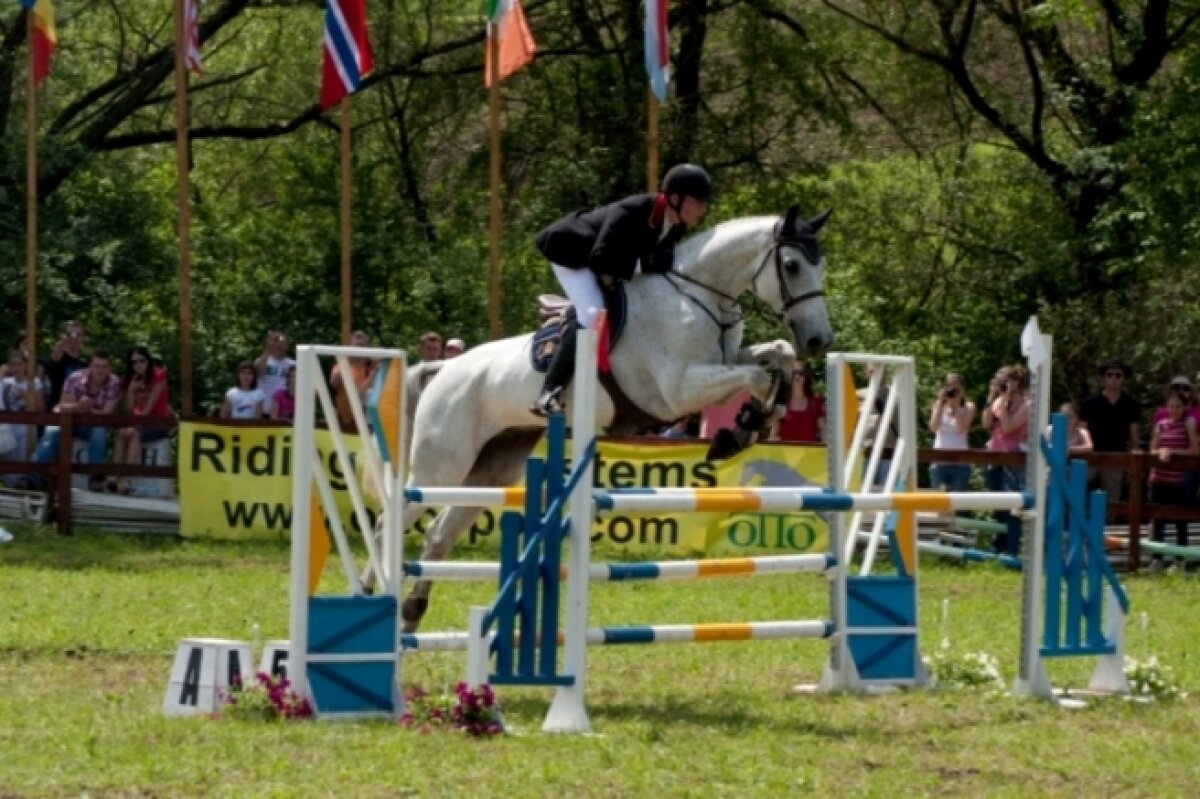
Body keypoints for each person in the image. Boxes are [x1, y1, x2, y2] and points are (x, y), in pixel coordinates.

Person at [530, 163, 714, 416]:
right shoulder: (634, 210)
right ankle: (549, 391)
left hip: (604, 261)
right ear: (675, 198)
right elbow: (600, 258)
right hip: (571, 252)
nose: (704, 209)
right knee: (593, 313)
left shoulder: (676, 225)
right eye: (699, 202)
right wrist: (644, 264)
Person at [31, 350, 123, 491]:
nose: (100, 370)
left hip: (90, 425)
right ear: (90, 367)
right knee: (51, 434)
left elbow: (106, 413)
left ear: (109, 369)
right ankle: (31, 478)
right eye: (97, 366)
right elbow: (64, 406)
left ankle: (95, 478)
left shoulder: (114, 382)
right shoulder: (75, 378)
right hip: (66, 420)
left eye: (104, 367)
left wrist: (88, 409)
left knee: (99, 429)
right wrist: (79, 407)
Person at [1146, 387, 1199, 572]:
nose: (1174, 410)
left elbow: (1195, 450)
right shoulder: (1161, 425)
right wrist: (1160, 451)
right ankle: (1156, 559)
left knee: (1180, 520)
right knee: (1158, 519)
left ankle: (1180, 559)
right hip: (1158, 478)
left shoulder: (1188, 423)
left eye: (1177, 406)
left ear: (1185, 407)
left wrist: (1174, 452)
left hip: (1178, 480)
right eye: (1171, 406)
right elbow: (1152, 449)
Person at [982, 364, 1030, 556]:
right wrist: (991, 398)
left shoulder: (1026, 405)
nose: (1003, 384)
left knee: (1012, 506)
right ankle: (998, 547)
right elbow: (986, 424)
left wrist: (1002, 405)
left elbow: (1009, 427)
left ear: (1017, 383)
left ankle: (1011, 549)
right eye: (1000, 380)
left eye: (1007, 381)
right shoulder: (998, 400)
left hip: (1013, 458)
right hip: (994, 455)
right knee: (997, 505)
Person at [111, 347, 172, 495]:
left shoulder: (159, 375)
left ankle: (127, 480)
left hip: (158, 422)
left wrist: (135, 424)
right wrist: (131, 390)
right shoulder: (130, 380)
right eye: (134, 362)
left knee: (134, 433)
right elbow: (129, 409)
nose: (138, 365)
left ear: (148, 361)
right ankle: (112, 477)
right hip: (139, 422)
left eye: (142, 361)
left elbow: (149, 408)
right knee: (122, 433)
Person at [1079, 358, 1140, 502]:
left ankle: (1110, 524)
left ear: (1124, 378)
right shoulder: (1090, 402)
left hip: (1116, 457)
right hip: (1091, 456)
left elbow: (1134, 436)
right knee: (1077, 489)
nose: (1113, 378)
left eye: (1118, 375)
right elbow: (1081, 430)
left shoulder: (1130, 404)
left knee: (1113, 498)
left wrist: (1131, 463)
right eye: (1109, 375)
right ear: (1104, 378)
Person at [0, 348, 46, 487]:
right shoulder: (5, 383)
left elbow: (41, 407)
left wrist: (25, 395)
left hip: (26, 427)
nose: (16, 368)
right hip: (8, 428)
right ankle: (10, 491)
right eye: (13, 364)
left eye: (19, 364)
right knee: (9, 464)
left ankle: (23, 489)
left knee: (24, 461)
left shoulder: (34, 382)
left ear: (25, 365)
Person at [928, 372, 976, 492]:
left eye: (956, 385)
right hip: (939, 460)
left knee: (957, 501)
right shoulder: (938, 405)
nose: (952, 388)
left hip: (960, 461)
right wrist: (940, 403)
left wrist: (956, 407)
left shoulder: (969, 407)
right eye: (949, 385)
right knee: (939, 500)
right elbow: (933, 427)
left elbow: (961, 429)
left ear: (962, 389)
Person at [330, 330, 378, 431]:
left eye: (362, 345)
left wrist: (374, 369)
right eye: (357, 345)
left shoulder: (373, 367)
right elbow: (333, 383)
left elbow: (361, 394)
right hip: (344, 419)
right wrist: (347, 361)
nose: (359, 348)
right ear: (351, 346)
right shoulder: (341, 364)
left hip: (365, 420)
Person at [774, 363, 826, 443]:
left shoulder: (815, 401)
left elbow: (823, 430)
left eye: (801, 373)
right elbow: (774, 432)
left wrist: (825, 451)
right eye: (793, 373)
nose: (797, 376)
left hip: (810, 454)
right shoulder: (781, 402)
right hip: (784, 453)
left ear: (805, 377)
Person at [47, 320, 88, 409]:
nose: (74, 337)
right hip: (58, 410)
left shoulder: (85, 363)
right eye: (71, 334)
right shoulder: (59, 357)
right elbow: (56, 353)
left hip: (79, 410)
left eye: (78, 334)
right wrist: (64, 340)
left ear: (84, 337)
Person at [254, 330, 294, 417]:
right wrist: (268, 349)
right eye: (275, 340)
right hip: (262, 409)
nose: (278, 344)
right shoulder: (261, 361)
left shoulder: (293, 364)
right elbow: (258, 373)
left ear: (287, 345)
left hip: (283, 411)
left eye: (282, 341)